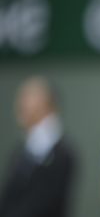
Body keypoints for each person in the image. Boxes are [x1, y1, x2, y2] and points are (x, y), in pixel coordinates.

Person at [0, 76, 78, 217]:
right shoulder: (21, 151)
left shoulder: (62, 154)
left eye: (27, 98)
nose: (20, 104)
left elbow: (43, 203)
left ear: (47, 104)